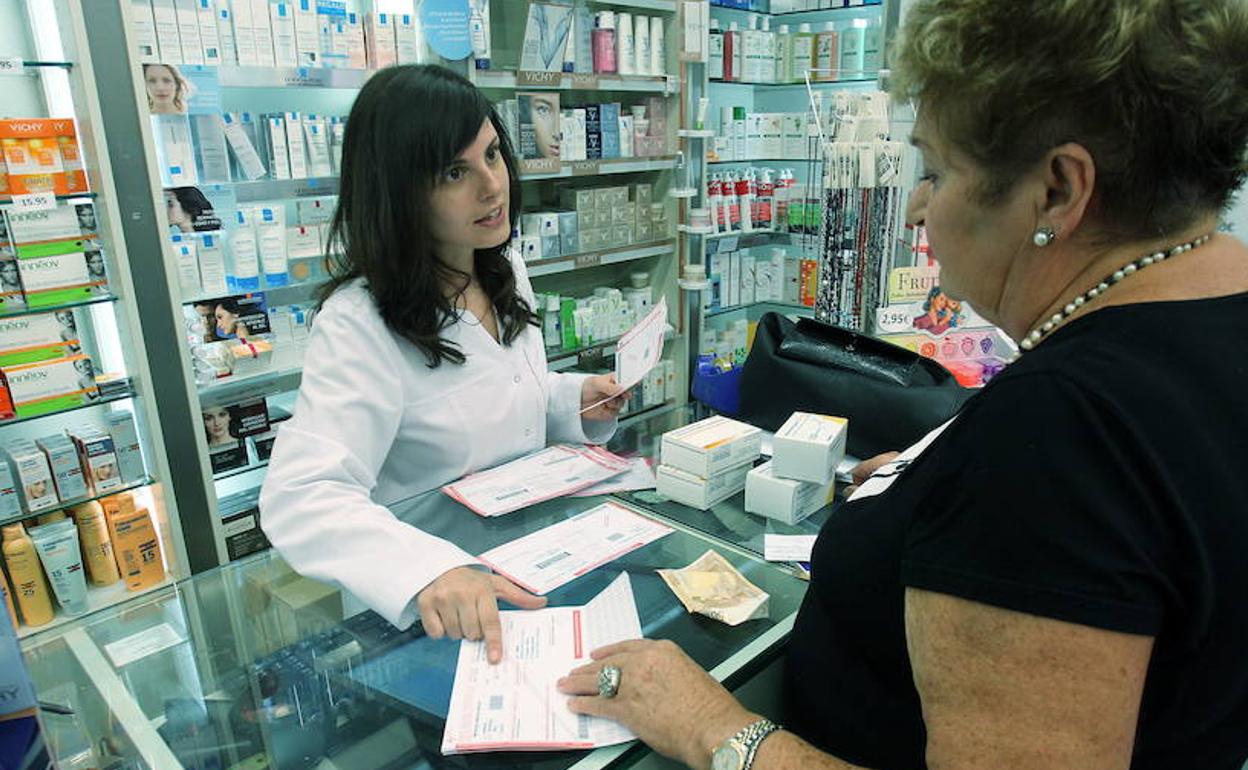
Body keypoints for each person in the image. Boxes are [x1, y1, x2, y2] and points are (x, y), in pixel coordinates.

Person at [554, 3, 1248, 770]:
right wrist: (932, 485)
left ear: (1056, 190)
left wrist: (716, 731)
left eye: (937, 172)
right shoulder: (1216, 304)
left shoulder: (1059, 428)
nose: (916, 206)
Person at [260, 65, 628, 663]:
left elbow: (498, 397)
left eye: (492, 155)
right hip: (430, 615)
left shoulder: (502, 267)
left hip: (527, 564)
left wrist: (573, 400)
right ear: (399, 191)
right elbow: (303, 494)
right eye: (456, 172)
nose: (492, 186)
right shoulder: (359, 322)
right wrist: (427, 570)